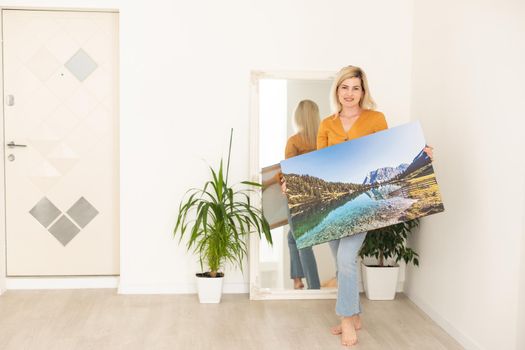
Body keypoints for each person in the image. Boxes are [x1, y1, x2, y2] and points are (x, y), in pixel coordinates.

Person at [317, 65, 433, 346]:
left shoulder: (375, 119)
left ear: (363, 91)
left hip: (364, 204)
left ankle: (346, 320)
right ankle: (355, 313)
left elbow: (389, 154)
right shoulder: (326, 124)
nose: (350, 93)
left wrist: (420, 155)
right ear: (337, 90)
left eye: (355, 88)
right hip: (335, 204)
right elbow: (319, 163)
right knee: (341, 261)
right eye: (344, 87)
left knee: (345, 260)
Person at [284, 100, 321, 290]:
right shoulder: (323, 140)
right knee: (293, 237)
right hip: (317, 195)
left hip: (297, 196)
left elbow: (289, 174)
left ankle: (314, 286)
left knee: (303, 240)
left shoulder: (294, 141)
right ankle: (297, 281)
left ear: (298, 117)